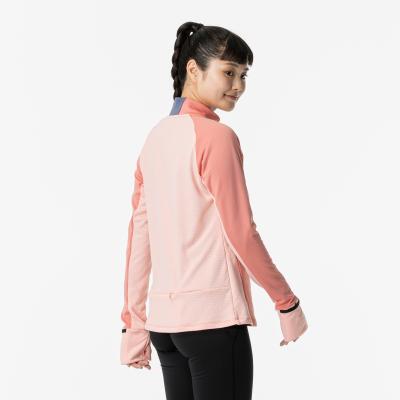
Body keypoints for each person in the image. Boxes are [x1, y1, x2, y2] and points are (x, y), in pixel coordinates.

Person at [119, 21, 308, 400]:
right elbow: (242, 233)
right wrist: (286, 303)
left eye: (243, 75)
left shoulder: (154, 139)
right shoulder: (217, 138)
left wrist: (134, 327)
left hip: (166, 328)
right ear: (194, 69)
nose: (238, 86)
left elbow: (139, 239)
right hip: (213, 323)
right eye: (228, 72)